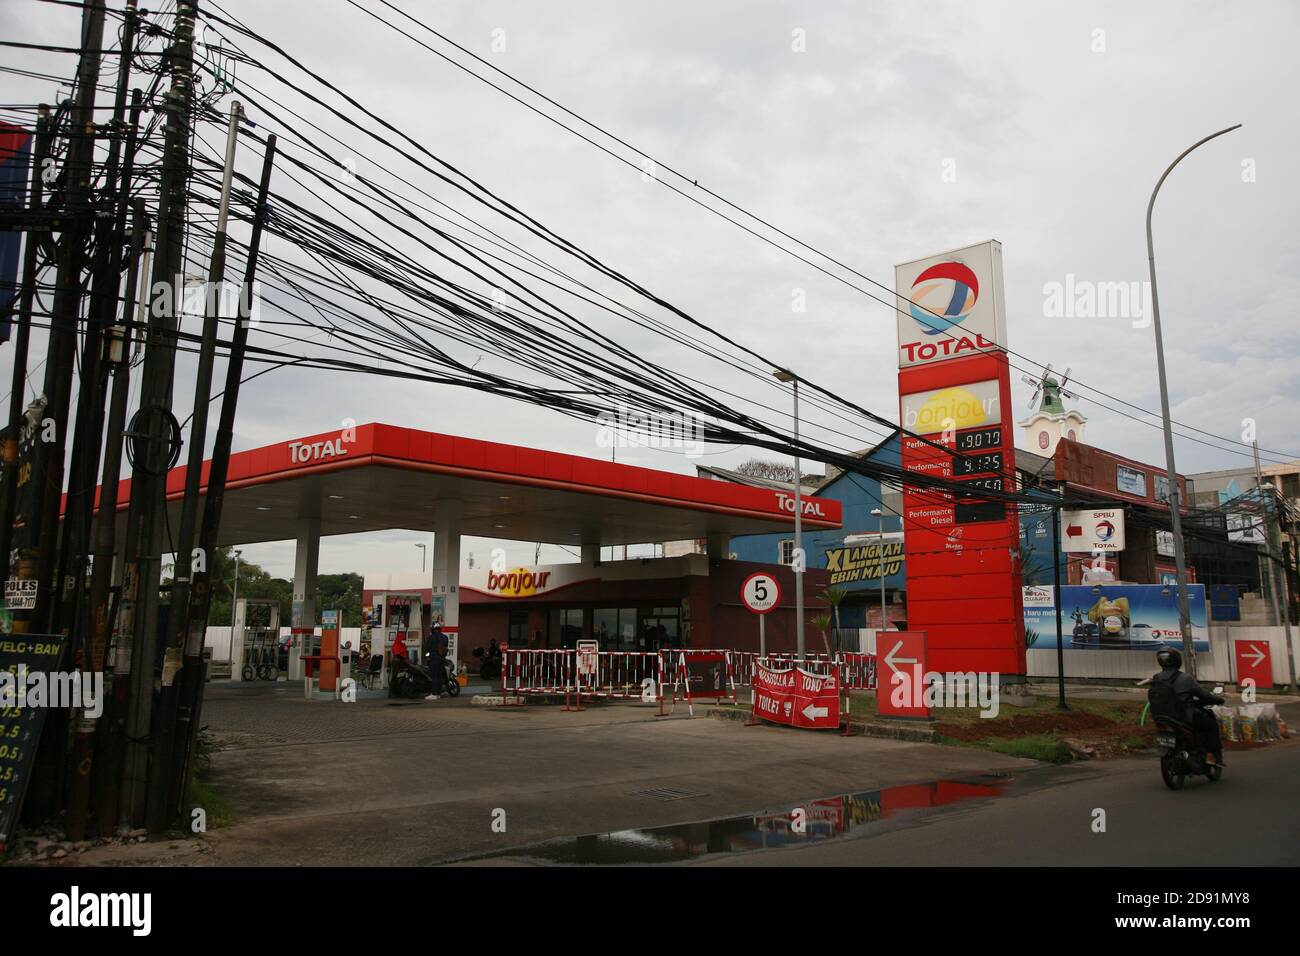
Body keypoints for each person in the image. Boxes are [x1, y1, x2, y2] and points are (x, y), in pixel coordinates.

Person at [1149, 646, 1225, 765]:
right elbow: (1203, 694)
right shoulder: (1185, 678)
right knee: (1210, 725)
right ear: (1177, 660)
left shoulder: (1156, 678)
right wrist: (1217, 699)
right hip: (1183, 717)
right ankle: (1210, 755)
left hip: (1161, 717)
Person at [423, 624, 445, 700]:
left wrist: (427, 657)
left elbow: (427, 649)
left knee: (434, 676)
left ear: (433, 629)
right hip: (442, 659)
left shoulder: (431, 638)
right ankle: (438, 693)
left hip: (434, 659)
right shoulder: (445, 637)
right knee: (439, 676)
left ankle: (434, 693)